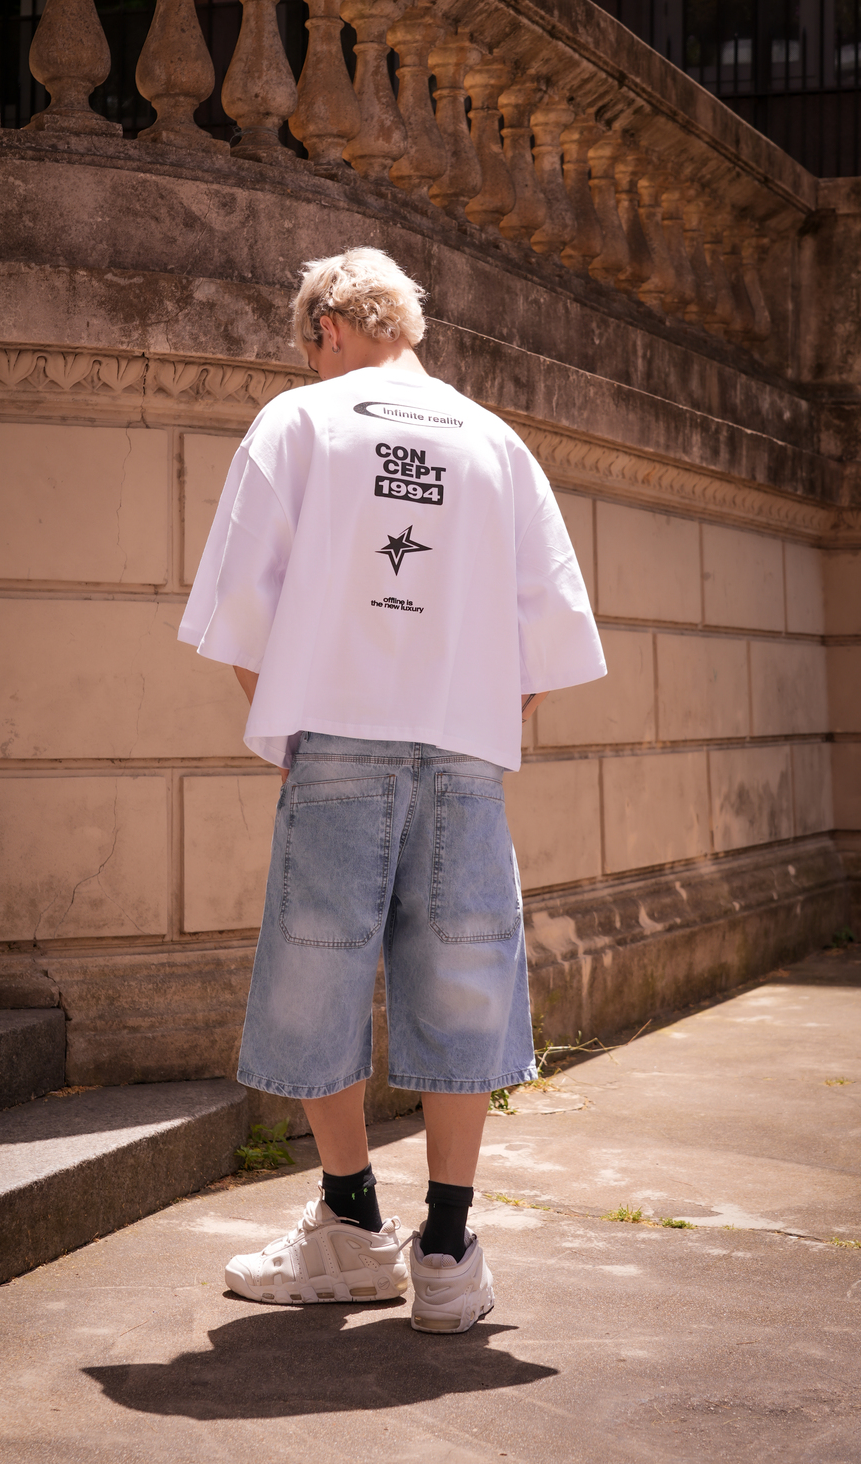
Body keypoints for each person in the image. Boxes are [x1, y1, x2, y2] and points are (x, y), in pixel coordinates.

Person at [179, 247, 606, 1333]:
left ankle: (351, 1222)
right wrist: (474, 725)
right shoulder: (497, 442)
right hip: (465, 749)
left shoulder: (301, 420)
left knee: (315, 977)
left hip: (336, 738)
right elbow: (546, 635)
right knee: (463, 979)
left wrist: (303, 735)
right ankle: (449, 1254)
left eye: (307, 346)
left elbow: (238, 608)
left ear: (326, 327)